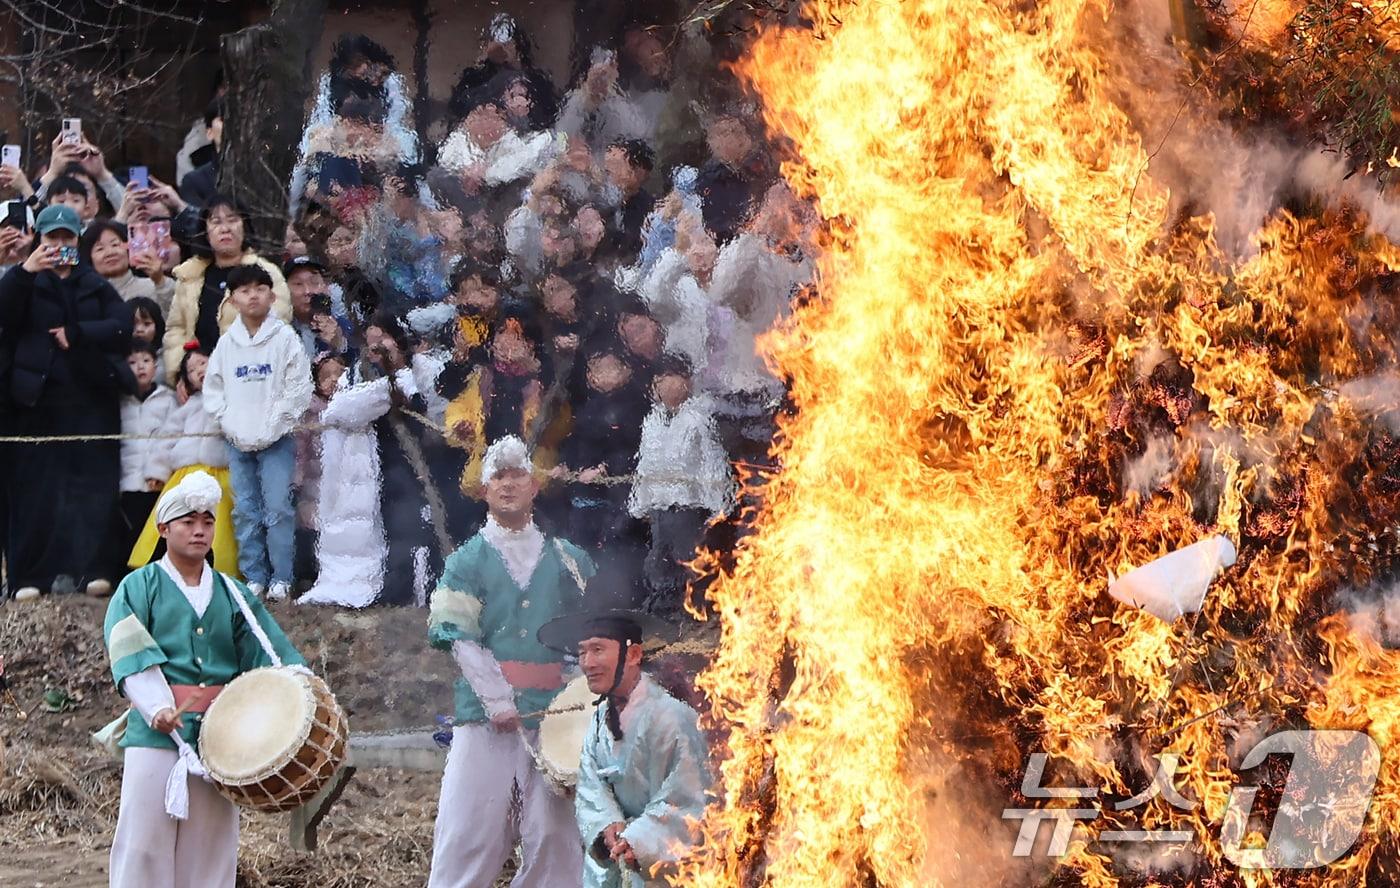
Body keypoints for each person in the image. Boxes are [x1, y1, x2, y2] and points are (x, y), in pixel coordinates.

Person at [103, 471, 303, 888]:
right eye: (188, 522)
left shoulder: (234, 593)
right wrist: (156, 704)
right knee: (144, 846)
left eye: (207, 522)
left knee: (212, 850)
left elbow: (271, 653)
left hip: (220, 738)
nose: (199, 530)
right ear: (163, 529)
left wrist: (301, 691)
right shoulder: (139, 586)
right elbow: (128, 647)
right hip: (155, 733)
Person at [426, 435, 595, 888]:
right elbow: (459, 637)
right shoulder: (466, 562)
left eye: (517, 474)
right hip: (484, 718)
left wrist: (579, 697)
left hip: (553, 717)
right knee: (468, 833)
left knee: (555, 837)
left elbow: (585, 638)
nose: (507, 484)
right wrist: (496, 699)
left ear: (534, 485)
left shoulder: (568, 561)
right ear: (484, 490)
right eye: (497, 476)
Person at [0, 204, 132, 598]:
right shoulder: (22, 280)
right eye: (51, 237)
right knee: (32, 490)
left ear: (78, 240)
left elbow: (124, 325)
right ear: (39, 239)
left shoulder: (94, 282)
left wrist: (78, 332)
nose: (59, 245)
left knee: (93, 486)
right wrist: (26, 270)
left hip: (91, 401)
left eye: (67, 238)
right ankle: (28, 576)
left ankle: (94, 569)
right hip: (34, 402)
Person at [536, 608, 710, 888]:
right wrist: (607, 823)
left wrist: (640, 838)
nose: (587, 663)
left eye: (597, 649)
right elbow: (590, 786)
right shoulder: (598, 718)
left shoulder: (672, 717)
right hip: (614, 861)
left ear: (633, 655)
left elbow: (689, 797)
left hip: (661, 866)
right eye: (582, 652)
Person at [203, 264, 314, 600]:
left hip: (277, 440)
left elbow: (299, 387)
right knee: (245, 508)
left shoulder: (285, 339)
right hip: (237, 442)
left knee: (278, 507)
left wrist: (275, 424)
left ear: (272, 295)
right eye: (244, 290)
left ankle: (282, 577)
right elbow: (214, 391)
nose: (252, 295)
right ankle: (255, 576)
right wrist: (230, 424)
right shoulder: (226, 345)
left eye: (259, 288)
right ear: (232, 300)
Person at [628, 354, 734, 614]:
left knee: (690, 561)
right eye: (659, 380)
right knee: (659, 561)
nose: (665, 385)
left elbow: (713, 462)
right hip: (659, 506)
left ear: (686, 381)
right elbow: (645, 465)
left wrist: (717, 506)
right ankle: (662, 611)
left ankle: (694, 610)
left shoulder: (699, 419)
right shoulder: (651, 422)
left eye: (671, 378)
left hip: (690, 506)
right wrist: (639, 504)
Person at [131, 344, 240, 576]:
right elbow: (167, 438)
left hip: (220, 473)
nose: (199, 370)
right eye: (191, 369)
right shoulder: (189, 405)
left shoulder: (232, 398)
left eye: (203, 363)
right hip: (185, 473)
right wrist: (157, 470)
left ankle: (220, 567)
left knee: (218, 523)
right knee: (176, 514)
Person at [163, 195, 291, 384]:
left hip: (252, 378)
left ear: (244, 227)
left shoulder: (266, 273)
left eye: (232, 220)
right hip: (199, 379)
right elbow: (176, 329)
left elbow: (277, 325)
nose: (225, 228)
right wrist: (183, 371)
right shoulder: (190, 276)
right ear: (206, 232)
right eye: (216, 222)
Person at [117, 342, 177, 568]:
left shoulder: (168, 399)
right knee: (129, 535)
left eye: (146, 361)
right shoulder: (120, 402)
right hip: (127, 483)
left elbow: (171, 438)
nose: (140, 367)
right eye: (131, 362)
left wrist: (159, 471)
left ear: (156, 365)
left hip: (157, 483)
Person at [81, 219, 175, 309]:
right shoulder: (83, 296)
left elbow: (174, 316)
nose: (110, 253)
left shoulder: (155, 287)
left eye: (115, 245)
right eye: (100, 249)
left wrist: (160, 281)